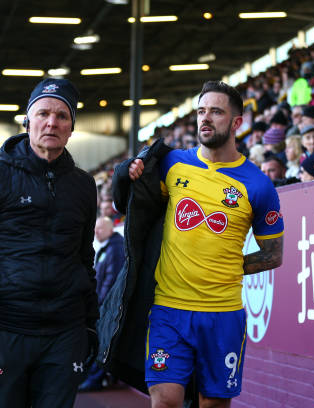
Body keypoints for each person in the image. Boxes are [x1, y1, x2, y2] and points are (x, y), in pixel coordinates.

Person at [121, 81, 284, 407]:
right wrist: (128, 173)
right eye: (201, 111)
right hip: (168, 308)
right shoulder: (171, 164)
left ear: (237, 123)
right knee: (165, 399)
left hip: (223, 314)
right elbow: (137, 206)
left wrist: (227, 266)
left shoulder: (258, 185)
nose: (205, 118)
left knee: (213, 404)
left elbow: (273, 254)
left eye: (216, 112)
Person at [0, 78, 99, 408]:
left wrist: (90, 323)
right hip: (5, 329)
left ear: (71, 128)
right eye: (43, 113)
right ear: (28, 122)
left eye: (62, 116)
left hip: (65, 333)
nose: (52, 122)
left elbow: (84, 259)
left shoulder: (84, 186)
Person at [79, 216, 125, 392]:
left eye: (100, 228)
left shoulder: (115, 248)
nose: (96, 232)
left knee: (101, 342)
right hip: (103, 304)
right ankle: (102, 377)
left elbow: (111, 280)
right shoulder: (109, 246)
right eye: (95, 228)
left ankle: (94, 379)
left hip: (106, 306)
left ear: (111, 229)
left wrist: (99, 303)